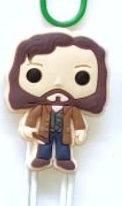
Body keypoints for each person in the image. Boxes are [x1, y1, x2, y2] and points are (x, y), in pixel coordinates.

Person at [6, 32, 107, 172]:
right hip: (44, 131)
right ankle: (42, 158)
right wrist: (29, 126)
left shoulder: (72, 109)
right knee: (44, 144)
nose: (58, 83)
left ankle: (64, 160)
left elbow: (77, 119)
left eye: (82, 77)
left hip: (64, 132)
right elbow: (33, 116)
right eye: (35, 75)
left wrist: (80, 129)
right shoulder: (41, 107)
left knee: (63, 146)